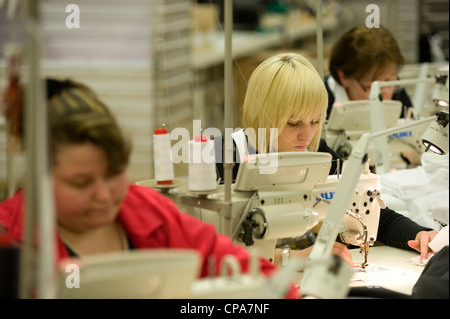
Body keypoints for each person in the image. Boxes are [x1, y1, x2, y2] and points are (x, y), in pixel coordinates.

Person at [0, 78, 299, 298]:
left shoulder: (145, 209)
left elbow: (235, 264)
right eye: (81, 183)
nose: (104, 195)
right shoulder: (11, 239)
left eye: (113, 174)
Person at [214, 52, 437, 266]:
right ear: (262, 117)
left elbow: (371, 212)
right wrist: (294, 258)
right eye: (293, 123)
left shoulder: (314, 150)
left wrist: (419, 233)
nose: (307, 134)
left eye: (315, 121)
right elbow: (215, 247)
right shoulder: (227, 156)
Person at [325, 25, 414, 120]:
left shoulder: (395, 89)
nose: (385, 95)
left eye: (388, 80)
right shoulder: (321, 101)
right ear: (343, 77)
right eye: (371, 86)